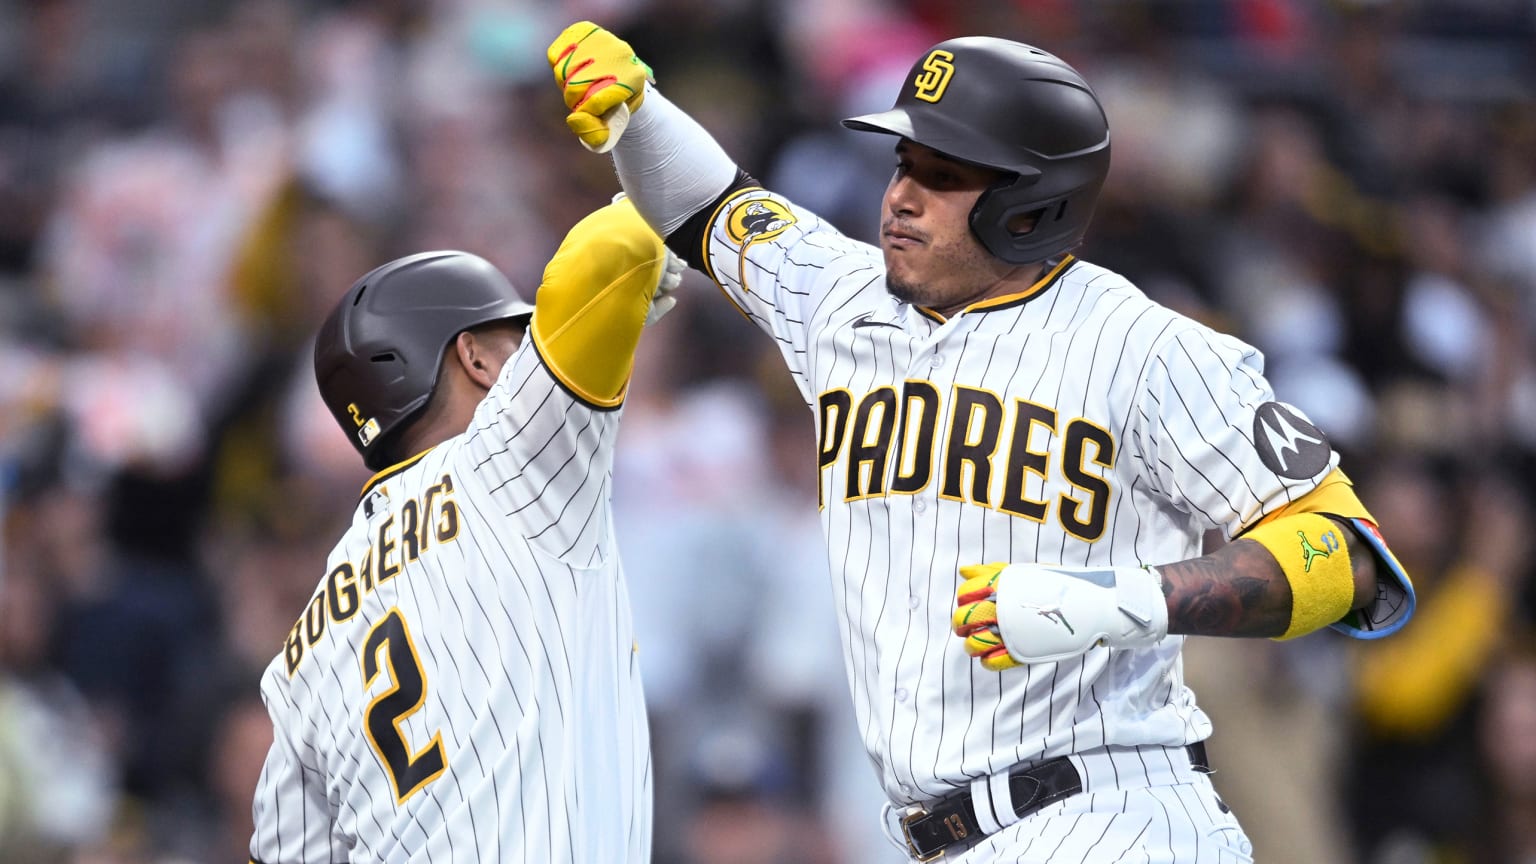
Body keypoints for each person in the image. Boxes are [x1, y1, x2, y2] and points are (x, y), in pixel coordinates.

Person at [544, 24, 1416, 862]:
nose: (901, 196)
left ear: (1030, 206)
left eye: (944, 175)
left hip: (1111, 818)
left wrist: (1125, 599)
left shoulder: (1149, 350)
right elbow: (710, 206)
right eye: (904, 163)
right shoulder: (840, 302)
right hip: (936, 833)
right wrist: (637, 113)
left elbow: (1348, 558)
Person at [246, 198, 682, 863]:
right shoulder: (513, 455)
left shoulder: (305, 643)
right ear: (476, 360)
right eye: (517, 339)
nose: (532, 352)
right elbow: (610, 250)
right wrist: (652, 211)